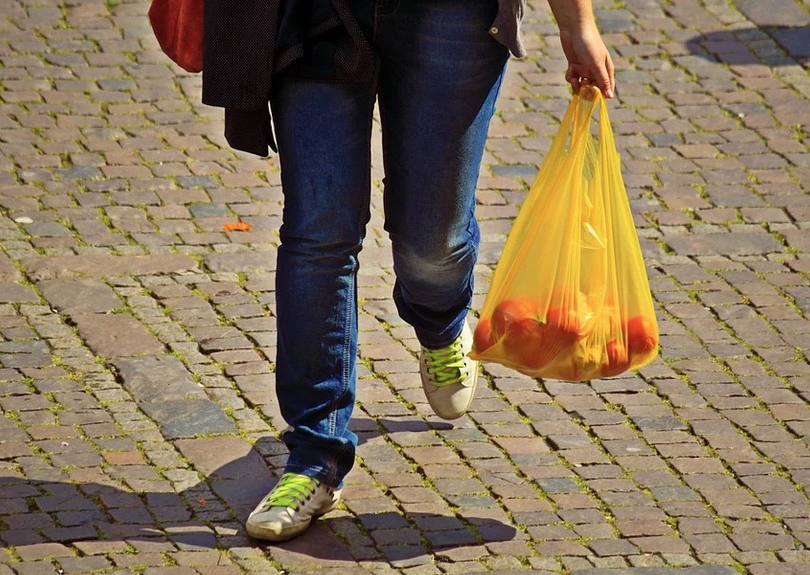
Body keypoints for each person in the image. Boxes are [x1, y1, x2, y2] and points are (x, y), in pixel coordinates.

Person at [202, 0, 615, 542]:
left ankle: (441, 321)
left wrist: (577, 22)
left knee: (432, 242)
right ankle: (314, 457)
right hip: (313, 9)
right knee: (318, 233)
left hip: (452, 14)